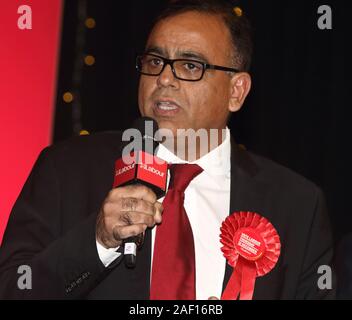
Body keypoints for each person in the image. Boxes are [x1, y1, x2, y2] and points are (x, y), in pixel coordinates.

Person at [0, 0, 335, 299]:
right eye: (155, 61)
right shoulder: (67, 168)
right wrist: (98, 240)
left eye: (190, 66)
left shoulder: (297, 204)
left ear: (237, 90)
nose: (164, 79)